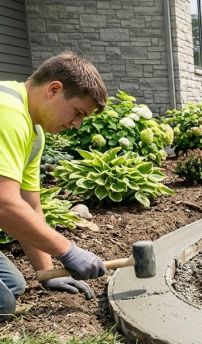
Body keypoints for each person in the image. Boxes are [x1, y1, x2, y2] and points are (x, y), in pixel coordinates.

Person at [0, 52, 108, 322]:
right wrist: (67, 250)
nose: (77, 124)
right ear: (54, 89)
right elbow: (4, 205)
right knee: (3, 304)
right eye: (78, 112)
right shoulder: (7, 112)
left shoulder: (34, 134)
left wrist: (47, 273)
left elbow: (29, 206)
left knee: (14, 286)